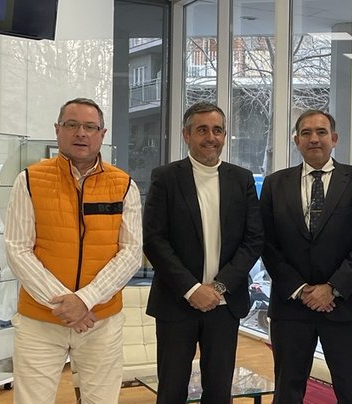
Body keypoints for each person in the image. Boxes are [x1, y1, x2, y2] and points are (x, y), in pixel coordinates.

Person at [4, 97, 143, 403]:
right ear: (58, 130)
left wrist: (85, 300)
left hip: (100, 321)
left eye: (90, 127)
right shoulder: (29, 180)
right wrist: (65, 305)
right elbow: (17, 249)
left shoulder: (123, 185)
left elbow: (131, 253)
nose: (81, 133)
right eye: (72, 125)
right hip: (40, 320)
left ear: (102, 134)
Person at [143, 101, 263, 403]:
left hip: (225, 304)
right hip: (176, 302)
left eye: (217, 130)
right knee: (171, 392)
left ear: (224, 135)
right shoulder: (165, 178)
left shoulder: (242, 179)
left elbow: (253, 240)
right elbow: (154, 240)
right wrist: (192, 289)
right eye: (202, 130)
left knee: (219, 392)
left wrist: (218, 287)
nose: (211, 137)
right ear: (186, 135)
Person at [260, 109, 352, 404]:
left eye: (321, 132)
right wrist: (301, 289)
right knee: (287, 392)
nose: (314, 139)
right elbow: (267, 244)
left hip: (345, 305)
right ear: (296, 141)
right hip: (291, 307)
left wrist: (332, 288)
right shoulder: (275, 184)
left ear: (334, 139)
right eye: (307, 133)